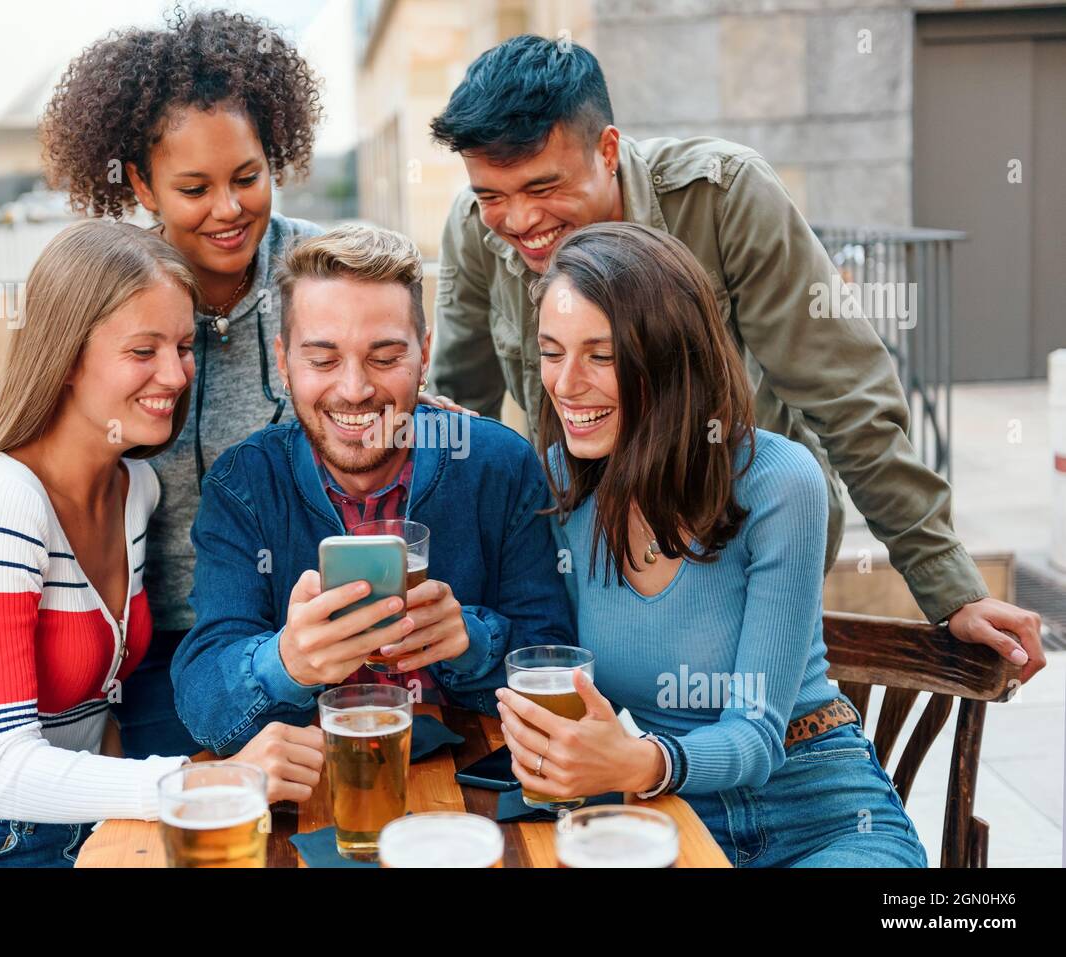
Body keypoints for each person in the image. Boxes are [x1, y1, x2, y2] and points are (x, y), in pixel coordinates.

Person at [0, 11, 463, 769]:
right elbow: (19, 468)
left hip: (321, 634)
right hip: (165, 654)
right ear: (140, 183)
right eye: (194, 187)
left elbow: (386, 390)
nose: (228, 209)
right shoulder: (123, 295)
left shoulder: (316, 277)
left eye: (247, 177)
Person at [428, 34, 1043, 683]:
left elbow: (848, 394)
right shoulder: (474, 229)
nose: (519, 220)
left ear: (607, 150)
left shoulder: (725, 196)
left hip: (736, 540)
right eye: (491, 194)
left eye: (542, 185)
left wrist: (950, 585)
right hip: (586, 555)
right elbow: (461, 421)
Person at [0, 221, 322, 868]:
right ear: (65, 358)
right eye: (143, 351)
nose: (174, 374)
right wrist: (199, 783)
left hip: (80, 830)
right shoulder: (0, 502)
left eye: (183, 344)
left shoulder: (134, 488)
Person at [495, 221, 928, 867]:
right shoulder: (560, 486)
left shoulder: (780, 483)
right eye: (552, 351)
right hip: (663, 814)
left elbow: (755, 736)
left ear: (671, 359)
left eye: (602, 355)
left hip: (818, 805)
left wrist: (635, 760)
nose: (566, 382)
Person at [170, 224, 574, 753]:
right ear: (283, 362)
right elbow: (202, 705)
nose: (355, 390)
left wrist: (470, 643)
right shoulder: (243, 485)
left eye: (385, 358)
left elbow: (556, 663)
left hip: (477, 789)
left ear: (424, 355)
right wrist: (287, 660)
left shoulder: (498, 466)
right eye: (322, 360)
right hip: (314, 791)